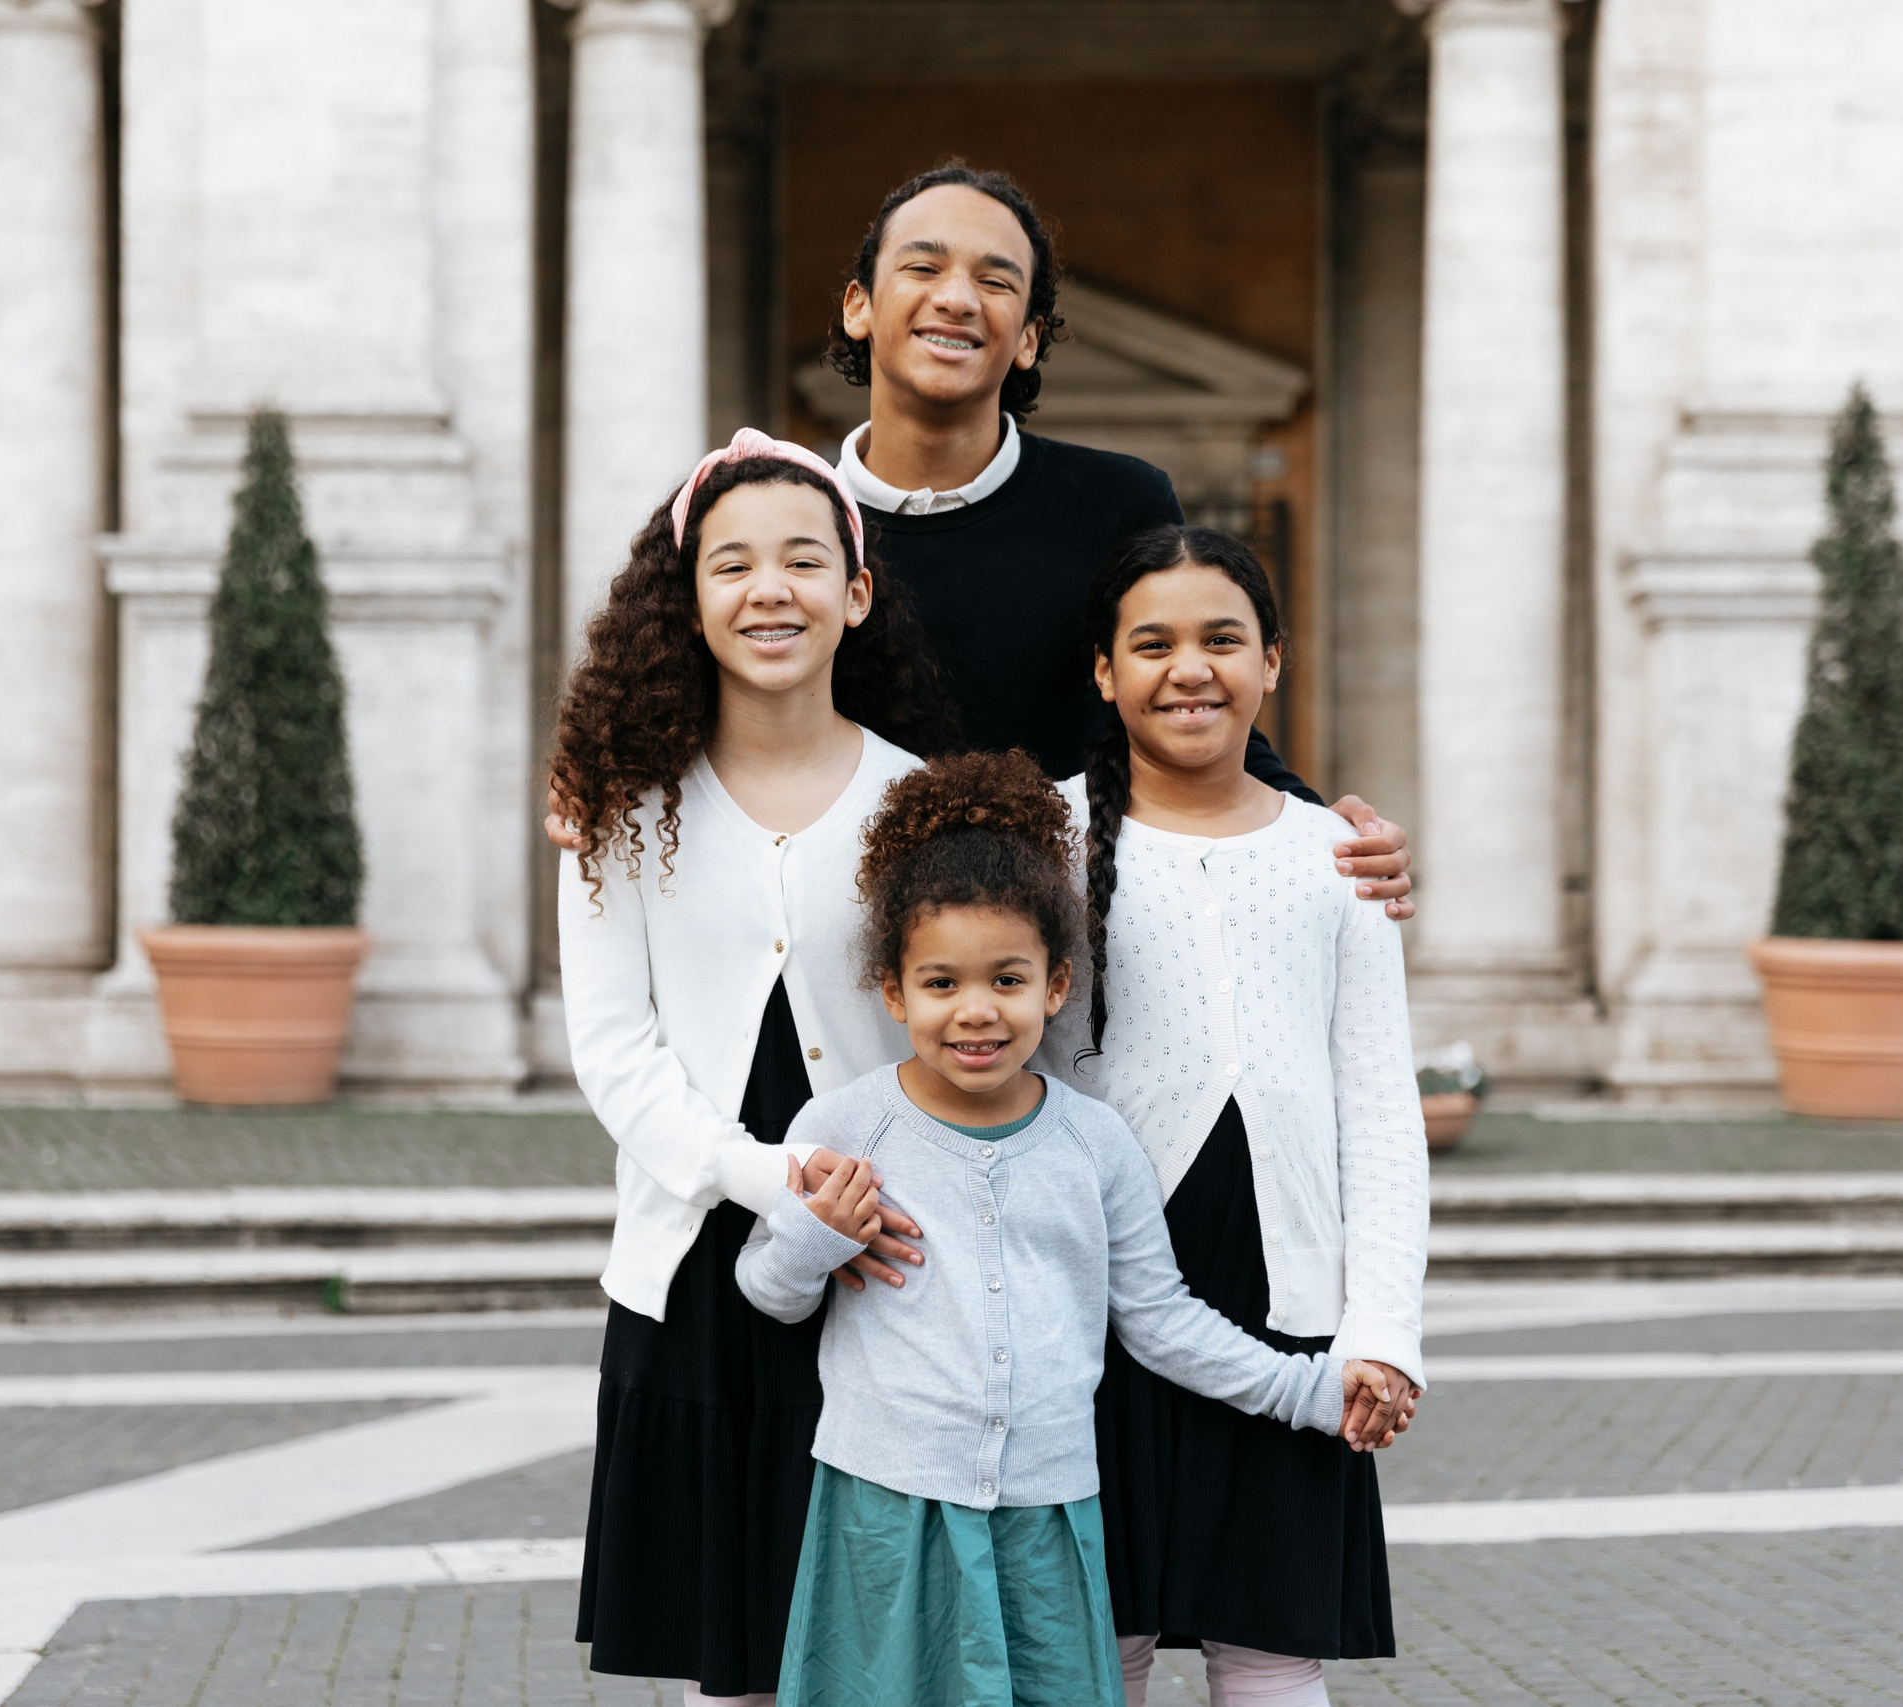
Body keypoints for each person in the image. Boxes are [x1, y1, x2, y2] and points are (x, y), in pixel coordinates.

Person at [550, 163, 1415, 919]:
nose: (957, 297)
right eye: (921, 267)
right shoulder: (786, 523)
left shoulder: (1121, 499)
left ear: (1029, 337)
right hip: (840, 930)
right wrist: (602, 775)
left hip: (1068, 935)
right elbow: (688, 696)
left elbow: (1182, 701)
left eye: (998, 283)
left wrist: (1317, 825)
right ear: (859, 306)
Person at [735, 751, 1401, 1707]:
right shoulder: (844, 1126)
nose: (976, 1010)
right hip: (883, 1508)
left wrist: (1308, 1389)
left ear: (1055, 988)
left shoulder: (1095, 1141)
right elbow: (770, 1290)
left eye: (1008, 979)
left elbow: (1160, 1317)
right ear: (892, 992)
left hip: (1049, 1516)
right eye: (940, 983)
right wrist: (816, 1235)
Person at [553, 428, 957, 1704]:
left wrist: (860, 1202)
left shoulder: (927, 806)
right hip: (695, 1277)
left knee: (888, 1648)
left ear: (856, 592)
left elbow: (963, 1036)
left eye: (801, 559)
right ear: (689, 601)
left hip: (893, 1264)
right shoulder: (623, 809)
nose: (767, 590)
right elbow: (615, 1052)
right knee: (727, 1665)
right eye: (731, 565)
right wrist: (767, 1181)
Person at [1044, 526, 1431, 1707]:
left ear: (1274, 660)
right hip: (1092, 1301)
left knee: (1271, 1650)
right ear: (1105, 673)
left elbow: (1378, 1102)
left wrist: (1383, 1329)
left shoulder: (1339, 858)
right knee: (1089, 1642)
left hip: (1289, 1301)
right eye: (1150, 644)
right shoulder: (1042, 840)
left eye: (1222, 639)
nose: (1188, 669)